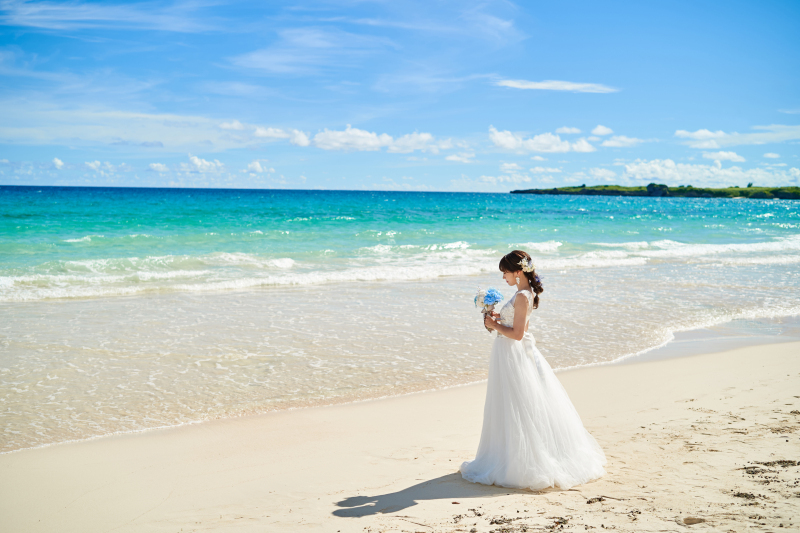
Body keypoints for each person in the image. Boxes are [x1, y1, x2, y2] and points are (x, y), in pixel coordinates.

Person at [460, 250, 607, 490]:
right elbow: (519, 327)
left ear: (518, 272)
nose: (503, 277)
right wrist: (499, 320)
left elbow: (518, 335)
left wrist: (494, 324)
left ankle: (517, 462)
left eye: (505, 272)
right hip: (510, 354)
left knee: (516, 406)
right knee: (515, 406)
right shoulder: (523, 294)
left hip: (511, 353)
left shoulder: (521, 296)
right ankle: (511, 456)